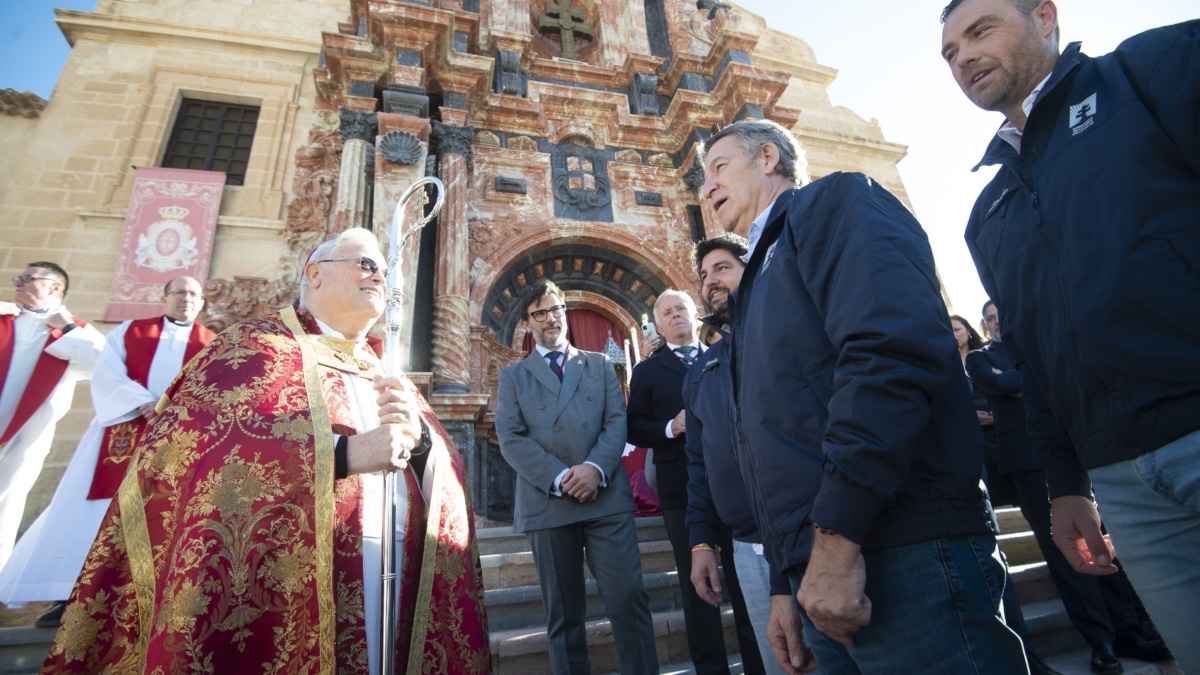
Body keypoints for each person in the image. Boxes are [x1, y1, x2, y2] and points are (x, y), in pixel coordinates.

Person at [41, 229, 490, 674]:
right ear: (314, 274)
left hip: (397, 573)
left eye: (387, 272)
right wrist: (342, 454)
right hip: (289, 575)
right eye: (367, 264)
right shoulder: (251, 348)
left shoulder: (387, 370)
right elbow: (194, 454)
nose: (380, 278)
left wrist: (422, 443)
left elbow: (444, 472)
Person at [699, 118, 1025, 673]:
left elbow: (887, 355)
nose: (705, 188)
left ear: (769, 158)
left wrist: (838, 534)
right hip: (817, 567)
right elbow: (771, 435)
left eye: (718, 167)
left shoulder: (835, 203)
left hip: (895, 549)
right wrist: (785, 577)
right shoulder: (757, 281)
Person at [940, 0, 1200, 668]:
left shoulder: (1143, 75)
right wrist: (1067, 484)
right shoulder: (987, 212)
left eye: (979, 31)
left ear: (1045, 16)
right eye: (949, 53)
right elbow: (1030, 355)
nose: (962, 56)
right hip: (1122, 484)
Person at [967, 300, 1170, 674]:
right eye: (990, 319)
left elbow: (1038, 379)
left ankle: (1129, 629)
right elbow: (1000, 382)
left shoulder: (1034, 346)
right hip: (1026, 463)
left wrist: (1016, 380)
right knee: (1063, 552)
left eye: (1001, 316)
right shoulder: (980, 358)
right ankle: (1101, 642)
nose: (997, 323)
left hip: (1072, 455)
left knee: (1103, 541)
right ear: (985, 324)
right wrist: (1019, 379)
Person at [0, 276, 216, 627]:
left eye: (193, 294)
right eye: (179, 293)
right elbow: (107, 370)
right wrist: (142, 403)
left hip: (176, 440)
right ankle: (67, 597)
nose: (186, 299)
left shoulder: (211, 344)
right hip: (121, 431)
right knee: (87, 512)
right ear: (164, 299)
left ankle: (142, 602)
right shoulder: (131, 330)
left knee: (160, 515)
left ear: (202, 303)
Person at [496, 280, 657, 675]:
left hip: (605, 498)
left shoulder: (600, 364)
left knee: (629, 601)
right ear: (528, 323)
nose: (550, 318)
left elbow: (616, 421)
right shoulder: (513, 378)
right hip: (547, 503)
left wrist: (594, 469)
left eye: (556, 309)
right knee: (564, 616)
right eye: (540, 313)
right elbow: (511, 438)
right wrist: (562, 476)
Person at [684, 234, 808, 675]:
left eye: (722, 268)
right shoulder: (701, 369)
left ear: (751, 269)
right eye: (703, 274)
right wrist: (701, 541)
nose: (710, 281)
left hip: (809, 542)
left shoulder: (788, 336)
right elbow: (698, 464)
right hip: (744, 547)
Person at [627, 288, 762, 675]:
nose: (675, 315)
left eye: (681, 308)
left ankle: (758, 665)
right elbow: (635, 427)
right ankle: (711, 668)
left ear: (695, 314)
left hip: (735, 486)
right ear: (660, 323)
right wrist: (672, 426)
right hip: (682, 489)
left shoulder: (723, 357)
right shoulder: (647, 371)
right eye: (666, 311)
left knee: (745, 583)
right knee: (698, 587)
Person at [0, 263, 105, 572]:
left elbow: (101, 364)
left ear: (55, 287)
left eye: (28, 278)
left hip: (28, 434)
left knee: (8, 498)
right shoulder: (6, 318)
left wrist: (69, 328)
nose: (18, 282)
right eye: (19, 278)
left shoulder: (75, 328)